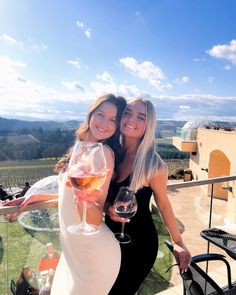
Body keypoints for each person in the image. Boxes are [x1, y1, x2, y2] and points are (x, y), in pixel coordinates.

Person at [16, 94, 127, 295]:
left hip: (93, 256)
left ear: (117, 126)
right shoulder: (80, 148)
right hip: (71, 254)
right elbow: (70, 197)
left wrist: (80, 193)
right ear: (90, 114)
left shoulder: (104, 154)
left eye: (113, 120)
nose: (104, 123)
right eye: (100, 115)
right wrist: (36, 198)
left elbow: (93, 219)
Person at [105, 98, 192, 295]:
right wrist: (107, 207)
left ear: (148, 125)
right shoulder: (113, 153)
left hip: (138, 247)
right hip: (109, 239)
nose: (131, 119)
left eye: (140, 117)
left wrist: (178, 242)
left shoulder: (154, 165)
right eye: (127, 113)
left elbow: (163, 203)